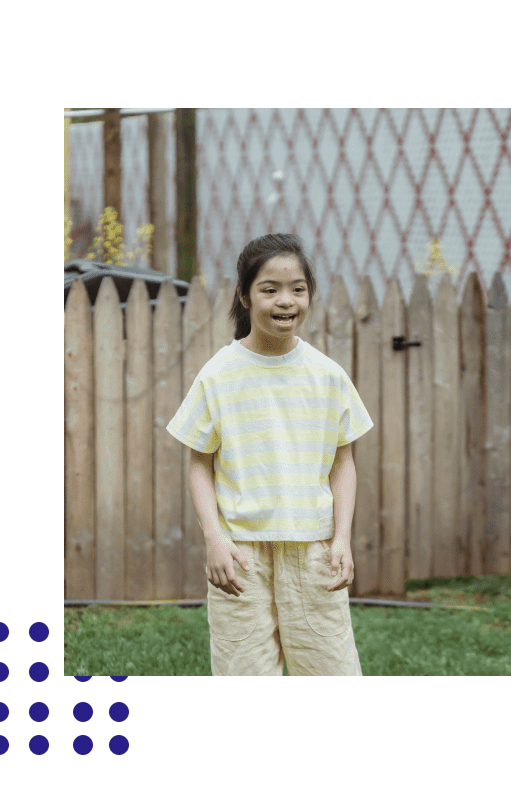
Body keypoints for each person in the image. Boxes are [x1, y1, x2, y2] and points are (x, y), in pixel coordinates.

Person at [166, 233, 373, 676]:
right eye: (270, 289)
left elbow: (343, 463)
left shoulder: (328, 376)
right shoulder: (219, 374)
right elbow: (199, 464)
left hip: (314, 549)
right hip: (241, 555)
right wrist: (215, 539)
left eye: (297, 289)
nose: (286, 301)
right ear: (245, 295)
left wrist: (341, 538)